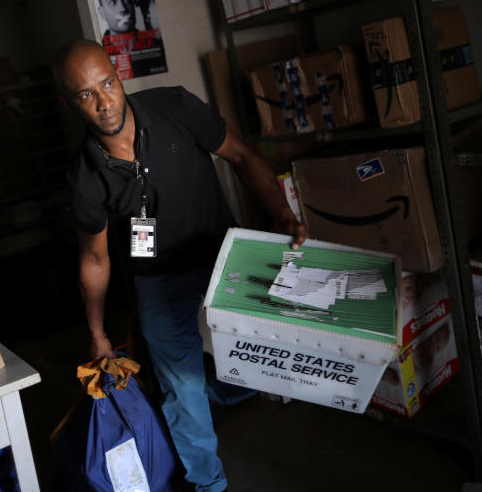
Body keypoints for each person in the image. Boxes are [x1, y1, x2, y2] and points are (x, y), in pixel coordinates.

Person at [54, 39, 307, 492]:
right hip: (157, 278)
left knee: (265, 357)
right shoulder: (85, 176)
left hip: (222, 255)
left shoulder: (175, 106)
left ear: (119, 76)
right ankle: (210, 485)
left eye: (107, 84)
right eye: (86, 94)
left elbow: (242, 156)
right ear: (71, 105)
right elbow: (95, 259)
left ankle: (216, 388)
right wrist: (97, 332)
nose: (104, 101)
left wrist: (282, 213)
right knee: (182, 390)